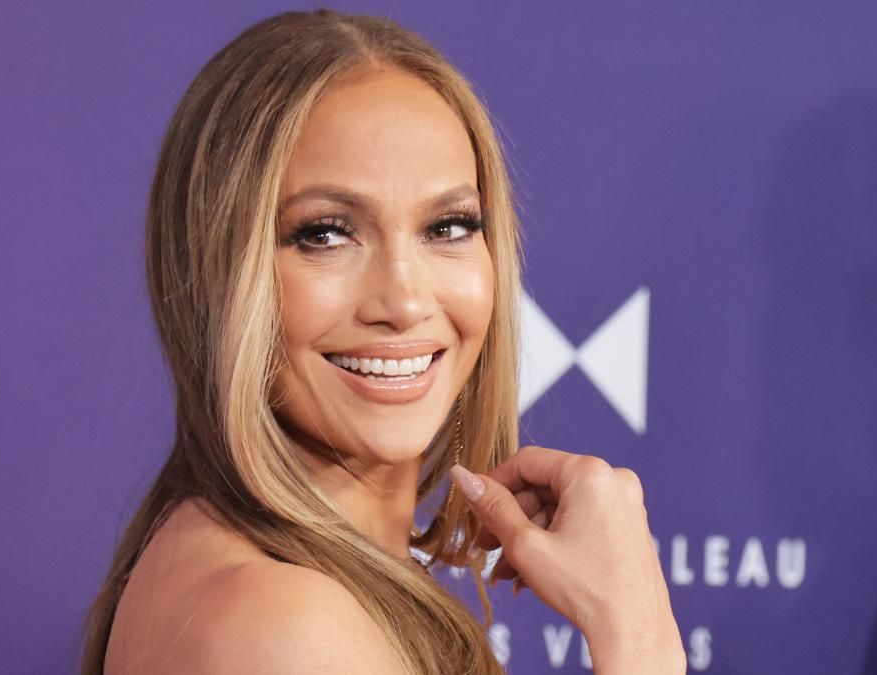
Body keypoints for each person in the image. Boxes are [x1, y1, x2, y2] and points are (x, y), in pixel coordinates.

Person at [82, 8, 684, 674]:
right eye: (325, 233)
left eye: (448, 226)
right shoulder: (290, 629)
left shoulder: (215, 547)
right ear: (215, 273)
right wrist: (639, 634)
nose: (403, 301)